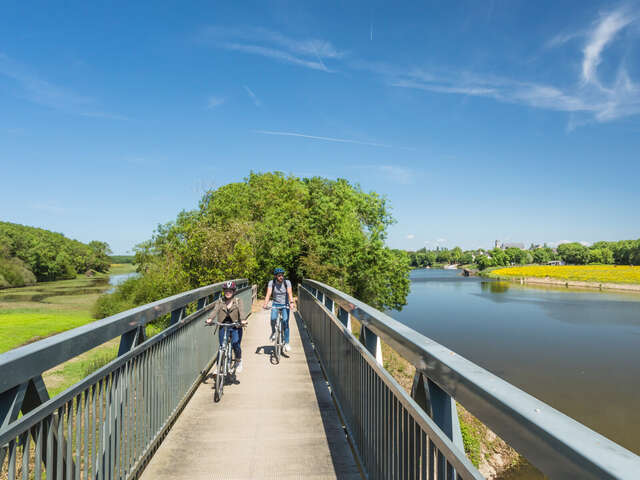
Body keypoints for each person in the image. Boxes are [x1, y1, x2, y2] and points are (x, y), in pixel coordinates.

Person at [205, 280, 247, 373]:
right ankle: (219, 367)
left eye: (230, 291)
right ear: (224, 291)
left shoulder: (238, 301)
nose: (228, 293)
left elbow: (242, 311)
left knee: (236, 344)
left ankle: (238, 361)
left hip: (235, 326)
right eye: (226, 291)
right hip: (223, 326)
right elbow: (215, 311)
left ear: (234, 292)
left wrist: (243, 320)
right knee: (221, 347)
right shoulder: (220, 301)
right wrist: (210, 319)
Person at [262, 267, 295, 352]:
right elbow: (269, 293)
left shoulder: (287, 282)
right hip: (275, 304)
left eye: (282, 275)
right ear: (276, 276)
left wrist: (291, 302)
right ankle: (273, 332)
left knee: (285, 322)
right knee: (273, 318)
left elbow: (289, 293)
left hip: (285, 305)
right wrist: (265, 303)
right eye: (279, 276)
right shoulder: (271, 283)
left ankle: (287, 343)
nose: (281, 277)